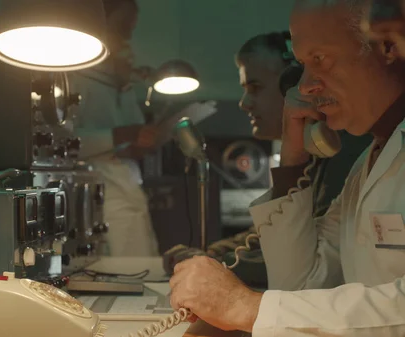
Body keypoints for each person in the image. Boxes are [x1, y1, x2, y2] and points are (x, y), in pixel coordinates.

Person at [169, 0, 405, 335]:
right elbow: (302, 287)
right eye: (302, 66)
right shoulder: (368, 163)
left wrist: (245, 306)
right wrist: (292, 159)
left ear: (389, 44)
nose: (304, 86)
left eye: (319, 59)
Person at [163, 32, 371, 289]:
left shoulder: (344, 154)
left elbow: (306, 259)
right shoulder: (317, 151)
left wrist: (218, 265)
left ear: (292, 86)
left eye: (255, 88)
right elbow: (267, 235)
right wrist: (214, 253)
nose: (244, 104)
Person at [68, 0, 160, 256]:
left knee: (143, 259)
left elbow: (134, 131)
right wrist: (120, 136)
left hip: (128, 184)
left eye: (131, 28)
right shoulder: (76, 76)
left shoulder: (121, 79)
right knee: (124, 265)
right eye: (122, 27)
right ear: (101, 24)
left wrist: (140, 142)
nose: (128, 36)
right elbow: (64, 144)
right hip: (97, 189)